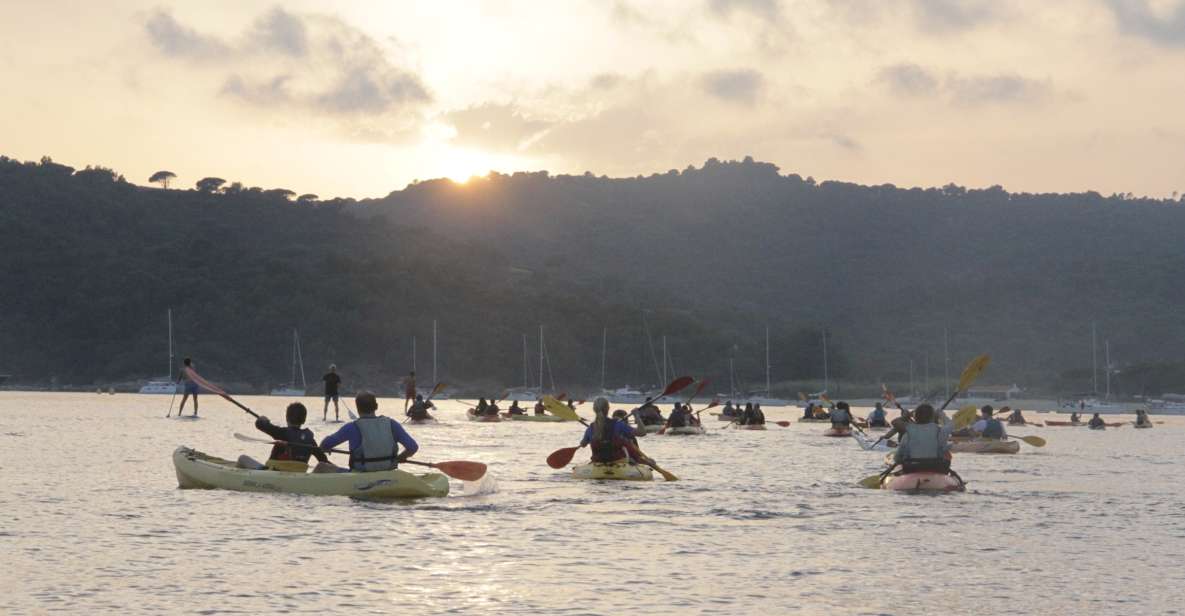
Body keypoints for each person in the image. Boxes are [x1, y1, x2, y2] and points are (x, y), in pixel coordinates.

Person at [320, 391, 418, 471]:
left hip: (360, 475)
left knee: (321, 467)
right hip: (388, 472)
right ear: (376, 406)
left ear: (357, 408)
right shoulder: (392, 424)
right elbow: (412, 447)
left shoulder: (351, 427)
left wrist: (326, 448)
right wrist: (399, 458)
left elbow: (325, 444)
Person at [239, 402, 329, 471]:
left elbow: (260, 425)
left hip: (274, 472)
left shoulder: (281, 433)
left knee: (242, 458)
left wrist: (264, 420)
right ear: (304, 420)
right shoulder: (310, 440)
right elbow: (323, 460)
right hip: (298, 472)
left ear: (287, 418)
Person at [580, 398, 648, 465]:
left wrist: (586, 440)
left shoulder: (591, 428)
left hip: (598, 461)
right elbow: (642, 432)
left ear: (594, 410)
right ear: (608, 409)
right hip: (617, 461)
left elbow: (583, 444)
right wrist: (636, 416)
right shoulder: (618, 424)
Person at [890, 404, 954, 475]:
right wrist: (941, 414)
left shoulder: (908, 434)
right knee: (946, 457)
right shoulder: (941, 431)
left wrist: (906, 416)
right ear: (933, 417)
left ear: (915, 418)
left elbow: (897, 458)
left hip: (912, 469)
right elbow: (951, 424)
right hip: (936, 468)